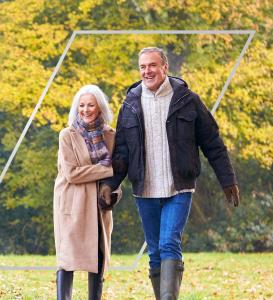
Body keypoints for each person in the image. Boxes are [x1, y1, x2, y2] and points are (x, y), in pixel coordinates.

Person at [100, 47, 240, 300]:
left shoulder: (187, 99)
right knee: (154, 251)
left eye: (152, 65)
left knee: (168, 244)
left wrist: (227, 179)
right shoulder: (130, 104)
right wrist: (110, 183)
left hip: (179, 187)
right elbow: (121, 151)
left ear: (164, 67)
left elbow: (212, 142)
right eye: (142, 67)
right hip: (145, 189)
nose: (147, 71)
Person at [53, 84, 121, 300]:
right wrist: (107, 168)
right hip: (72, 202)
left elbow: (117, 175)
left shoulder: (111, 135)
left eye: (90, 105)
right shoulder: (67, 135)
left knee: (99, 254)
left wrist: (114, 192)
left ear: (99, 107)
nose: (86, 109)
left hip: (99, 204)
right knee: (67, 257)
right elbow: (72, 173)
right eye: (81, 105)